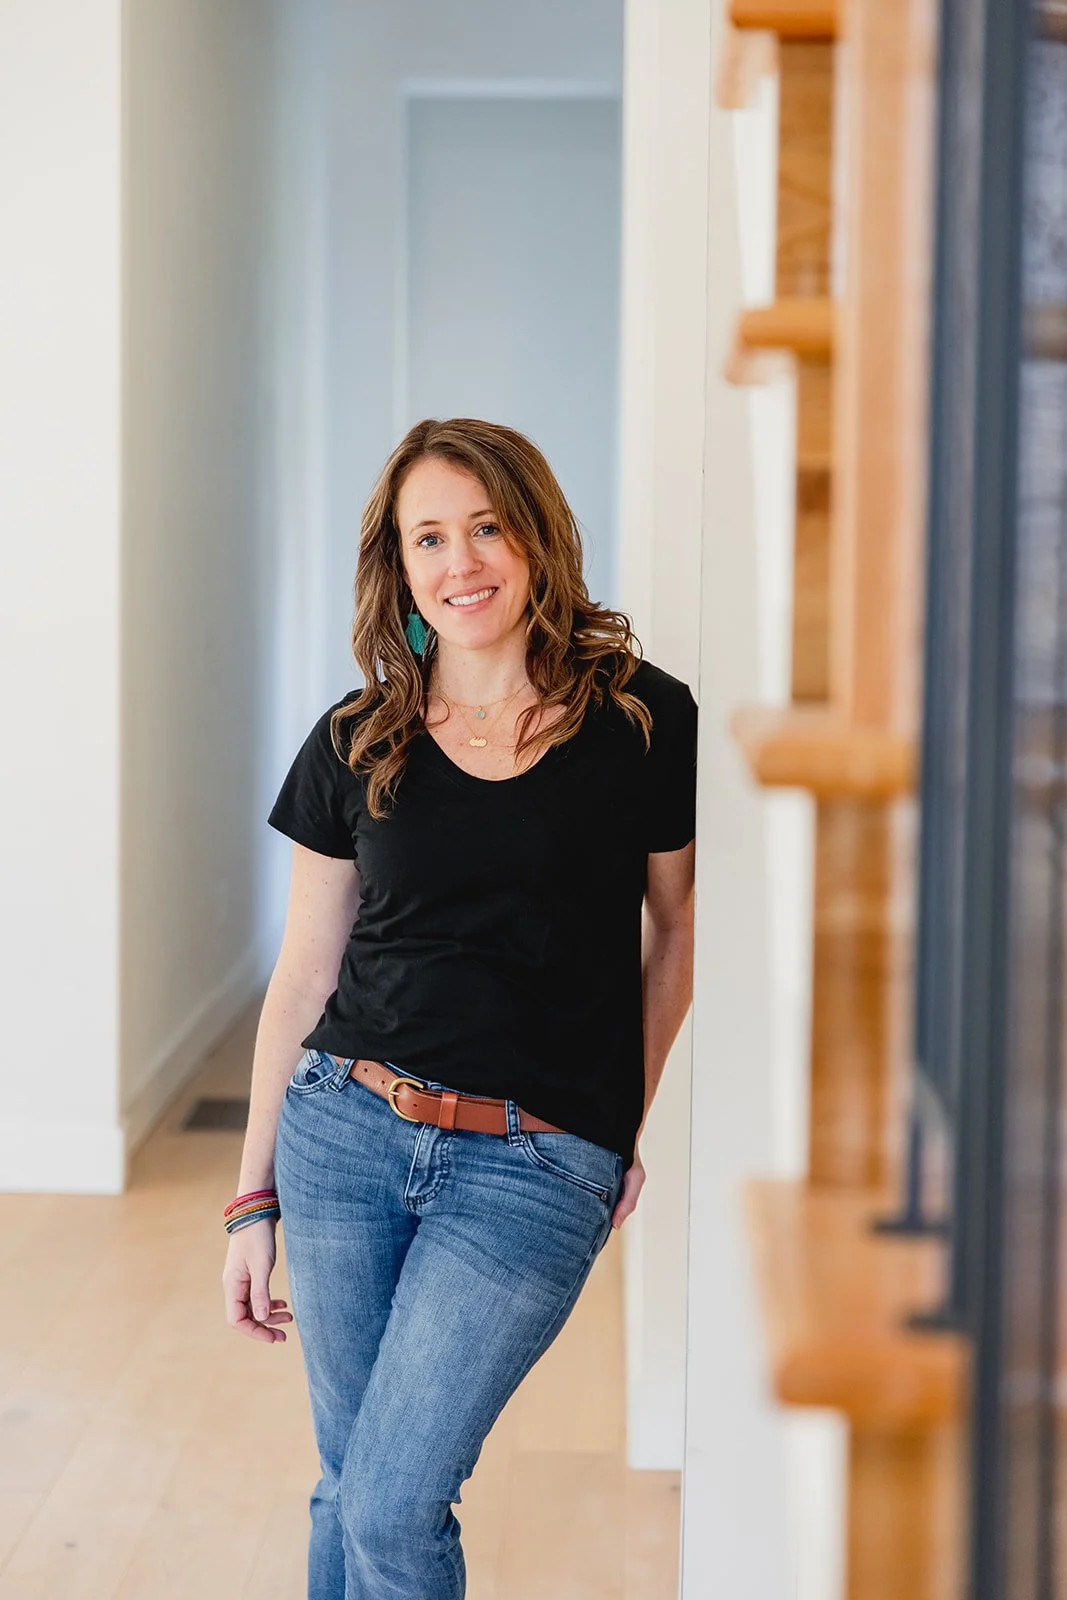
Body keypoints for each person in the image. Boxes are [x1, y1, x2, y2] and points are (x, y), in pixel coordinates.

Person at [221, 417, 697, 1599]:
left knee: (390, 1499)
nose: (461, 560)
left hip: (532, 1167)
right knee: (348, 1482)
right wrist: (251, 1190)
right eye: (428, 535)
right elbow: (302, 977)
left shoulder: (639, 720)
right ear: (399, 563)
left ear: (533, 536)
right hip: (343, 1128)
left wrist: (617, 1121)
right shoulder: (356, 737)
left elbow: (675, 928)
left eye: (485, 526)